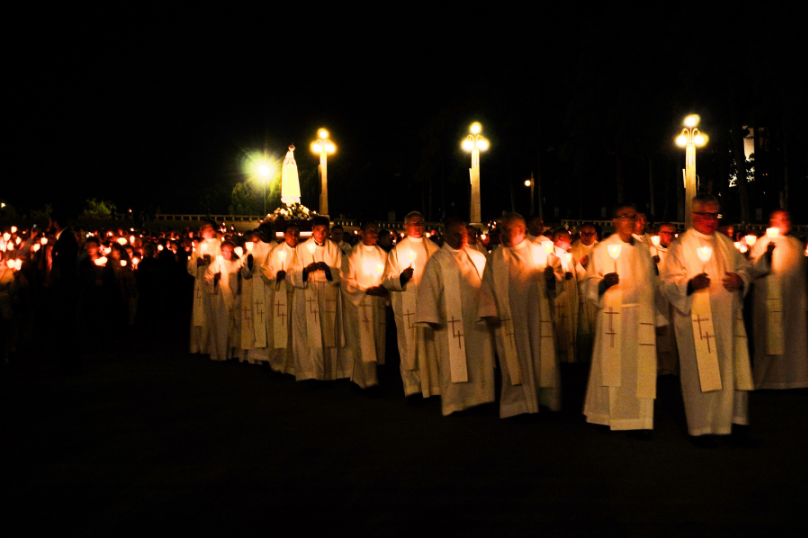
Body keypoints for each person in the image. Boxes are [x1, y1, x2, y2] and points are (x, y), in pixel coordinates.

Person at [660, 195, 770, 448]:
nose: (711, 220)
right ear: (694, 215)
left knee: (733, 370)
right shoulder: (681, 245)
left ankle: (734, 424)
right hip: (697, 322)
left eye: (715, 215)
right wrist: (689, 284)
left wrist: (740, 280)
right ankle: (702, 428)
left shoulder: (724, 242)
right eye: (706, 215)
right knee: (702, 373)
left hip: (728, 321)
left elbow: (744, 269)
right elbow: (666, 283)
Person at [583, 203, 663, 435]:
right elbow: (589, 283)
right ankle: (605, 414)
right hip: (614, 319)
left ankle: (638, 419)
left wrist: (655, 316)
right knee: (612, 368)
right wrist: (601, 283)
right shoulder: (602, 248)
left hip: (641, 319)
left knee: (639, 370)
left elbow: (650, 284)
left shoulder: (642, 248)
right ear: (614, 221)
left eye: (633, 216)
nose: (629, 220)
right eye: (624, 216)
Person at [479, 213, 560, 418]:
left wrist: (551, 279)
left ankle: (543, 402)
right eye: (501, 229)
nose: (502, 233)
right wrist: (490, 311)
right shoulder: (496, 256)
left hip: (536, 317)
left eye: (507, 229)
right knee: (512, 363)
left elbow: (557, 274)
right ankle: (516, 406)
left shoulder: (539, 251)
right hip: (508, 321)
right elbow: (486, 287)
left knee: (541, 358)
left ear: (521, 231)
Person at [417, 217, 495, 415]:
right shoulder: (437, 260)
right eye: (456, 233)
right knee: (454, 362)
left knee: (479, 360)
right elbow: (428, 290)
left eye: (464, 233)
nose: (461, 237)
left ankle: (482, 397)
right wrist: (430, 316)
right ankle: (455, 403)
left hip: (477, 321)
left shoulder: (477, 256)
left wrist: (490, 310)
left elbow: (488, 285)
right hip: (450, 323)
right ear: (445, 234)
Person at [382, 211, 441, 399]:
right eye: (413, 223)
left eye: (420, 223)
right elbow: (386, 279)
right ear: (405, 226)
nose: (417, 226)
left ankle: (432, 387)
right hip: (406, 304)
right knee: (409, 347)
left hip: (429, 304)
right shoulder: (397, 250)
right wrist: (401, 277)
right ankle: (412, 388)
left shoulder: (434, 249)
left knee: (430, 346)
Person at [748, 210, 807, 389]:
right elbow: (753, 269)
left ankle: (795, 379)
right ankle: (767, 380)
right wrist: (767, 255)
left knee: (793, 340)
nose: (785, 221)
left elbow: (800, 274)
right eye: (781, 219)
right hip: (770, 301)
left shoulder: (796, 244)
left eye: (787, 218)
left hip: (794, 302)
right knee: (771, 339)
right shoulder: (762, 243)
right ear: (772, 221)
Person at [288, 216, 349, 381]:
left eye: (324, 231)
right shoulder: (301, 249)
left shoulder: (334, 248)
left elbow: (343, 273)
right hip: (308, 293)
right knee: (309, 334)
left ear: (327, 231)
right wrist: (306, 271)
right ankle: (311, 373)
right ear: (312, 229)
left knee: (328, 333)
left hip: (329, 295)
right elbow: (291, 273)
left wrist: (329, 270)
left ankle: (327, 373)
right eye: (318, 230)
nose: (321, 234)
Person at [342, 222, 389, 390]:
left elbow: (388, 276)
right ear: (361, 233)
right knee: (364, 342)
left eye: (376, 231)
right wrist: (366, 291)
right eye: (371, 231)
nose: (374, 234)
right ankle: (368, 381)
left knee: (376, 341)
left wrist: (383, 288)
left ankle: (369, 375)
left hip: (378, 304)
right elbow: (347, 281)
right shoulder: (353, 254)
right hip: (361, 305)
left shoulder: (383, 254)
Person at [261, 223, 301, 375]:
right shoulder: (276, 251)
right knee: (279, 329)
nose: (294, 235)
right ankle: (277, 365)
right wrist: (276, 276)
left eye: (296, 232)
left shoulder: (303, 251)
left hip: (297, 295)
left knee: (296, 331)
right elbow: (264, 270)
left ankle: (295, 365)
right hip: (280, 294)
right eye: (290, 232)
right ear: (284, 235)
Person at [48, 210, 81, 374]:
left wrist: (56, 282)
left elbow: (64, 266)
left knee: (66, 325)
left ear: (55, 223)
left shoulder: (66, 239)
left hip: (65, 289)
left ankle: (70, 362)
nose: (48, 225)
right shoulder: (65, 238)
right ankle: (68, 360)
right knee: (65, 325)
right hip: (64, 288)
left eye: (49, 222)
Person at [239, 224, 277, 365]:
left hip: (273, 289)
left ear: (272, 233)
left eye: (268, 232)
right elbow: (245, 274)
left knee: (272, 321)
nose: (265, 234)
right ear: (260, 233)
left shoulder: (277, 248)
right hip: (258, 289)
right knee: (259, 321)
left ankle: (273, 355)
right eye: (263, 232)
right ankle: (260, 356)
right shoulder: (252, 249)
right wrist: (248, 265)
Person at [549, 228, 586, 363]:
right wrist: (561, 277)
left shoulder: (567, 255)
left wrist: (581, 266)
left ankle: (570, 359)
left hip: (570, 299)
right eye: (568, 238)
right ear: (560, 238)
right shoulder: (550, 255)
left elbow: (575, 274)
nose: (571, 241)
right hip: (559, 300)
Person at [187, 220, 221, 355]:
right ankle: (200, 345)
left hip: (215, 283)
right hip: (200, 283)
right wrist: (197, 263)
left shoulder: (220, 244)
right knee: (200, 313)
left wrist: (212, 263)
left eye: (205, 228)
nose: (202, 230)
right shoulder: (200, 246)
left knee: (213, 313)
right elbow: (190, 265)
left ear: (212, 230)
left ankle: (213, 346)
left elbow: (223, 261)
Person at [205, 241, 242, 361]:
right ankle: (221, 354)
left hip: (234, 299)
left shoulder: (236, 264)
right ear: (221, 251)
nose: (227, 253)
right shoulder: (215, 265)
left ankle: (233, 353)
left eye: (230, 251)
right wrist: (214, 280)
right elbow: (206, 280)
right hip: (220, 301)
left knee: (233, 327)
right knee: (222, 326)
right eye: (225, 251)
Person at [570, 223, 598, 361]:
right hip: (580, 294)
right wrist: (581, 266)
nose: (586, 236)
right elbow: (569, 274)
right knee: (583, 329)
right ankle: (582, 360)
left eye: (590, 233)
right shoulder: (572, 249)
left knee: (597, 329)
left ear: (595, 235)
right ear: (579, 234)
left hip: (597, 294)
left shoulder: (601, 249)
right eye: (584, 233)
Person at [654, 223, 679, 375]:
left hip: (675, 298)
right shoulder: (652, 251)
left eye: (672, 233)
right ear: (659, 234)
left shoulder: (678, 252)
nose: (669, 236)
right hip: (659, 297)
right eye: (665, 233)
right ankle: (661, 367)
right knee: (662, 334)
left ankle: (674, 367)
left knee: (675, 334)